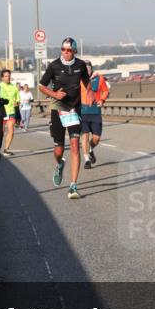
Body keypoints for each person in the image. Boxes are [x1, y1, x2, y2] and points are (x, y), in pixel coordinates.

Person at [39, 38, 91, 199]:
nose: (65, 52)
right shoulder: (54, 65)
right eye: (63, 49)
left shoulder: (80, 65)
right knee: (59, 150)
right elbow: (41, 86)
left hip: (74, 110)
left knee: (75, 145)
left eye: (68, 50)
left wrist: (90, 95)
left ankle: (73, 186)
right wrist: (54, 94)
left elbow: (86, 81)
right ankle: (60, 163)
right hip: (58, 108)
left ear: (74, 51)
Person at [80, 61, 110, 169]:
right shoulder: (79, 80)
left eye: (88, 68)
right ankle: (87, 160)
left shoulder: (99, 78)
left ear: (91, 69)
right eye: (85, 69)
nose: (86, 71)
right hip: (82, 112)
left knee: (96, 138)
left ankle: (90, 149)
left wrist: (102, 100)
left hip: (95, 112)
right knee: (85, 136)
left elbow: (105, 91)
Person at [0, 70, 21, 156]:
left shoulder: (14, 87)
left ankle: (6, 149)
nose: (8, 77)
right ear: (2, 77)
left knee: (11, 131)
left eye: (9, 76)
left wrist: (17, 103)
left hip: (11, 112)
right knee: (0, 132)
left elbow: (18, 100)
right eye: (6, 76)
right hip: (1, 112)